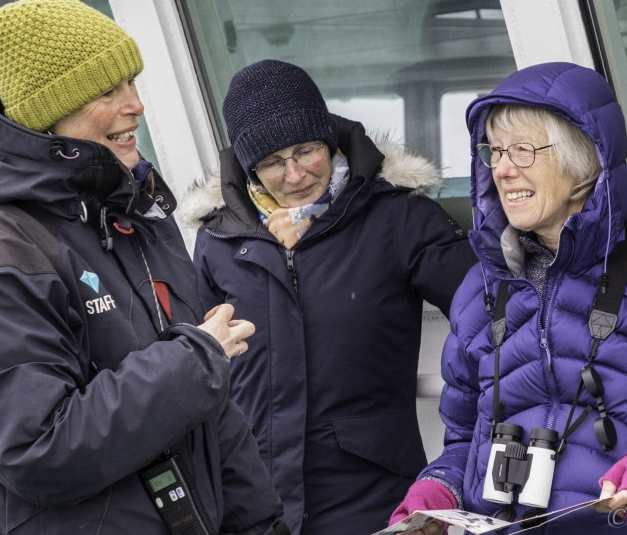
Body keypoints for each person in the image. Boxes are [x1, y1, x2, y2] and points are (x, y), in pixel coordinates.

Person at [0, 0, 287, 534]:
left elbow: (212, 419)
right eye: (106, 90)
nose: (135, 104)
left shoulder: (139, 217)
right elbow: (35, 449)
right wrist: (194, 362)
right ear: (50, 112)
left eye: (132, 82)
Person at [388, 62, 627, 534]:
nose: (503, 169)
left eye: (523, 150)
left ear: (584, 161)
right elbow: (466, 440)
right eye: (495, 151)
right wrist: (439, 488)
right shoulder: (479, 288)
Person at [178, 59, 477, 534]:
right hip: (257, 496)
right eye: (273, 162)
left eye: (306, 150)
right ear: (251, 168)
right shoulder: (219, 240)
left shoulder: (397, 218)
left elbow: (492, 318)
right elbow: (201, 370)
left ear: (331, 141)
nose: (295, 175)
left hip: (374, 488)